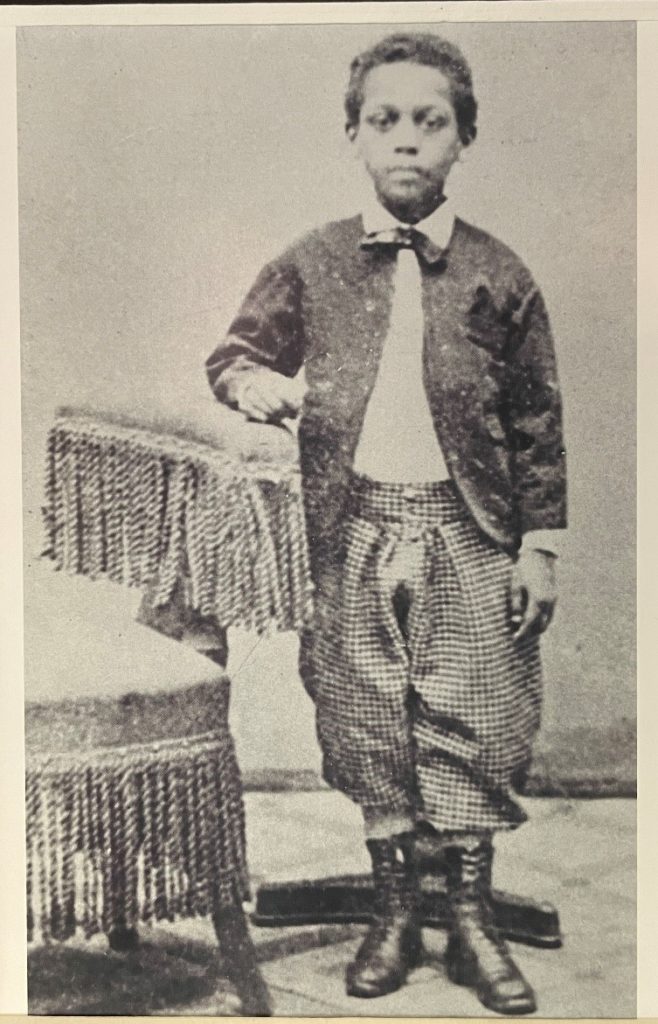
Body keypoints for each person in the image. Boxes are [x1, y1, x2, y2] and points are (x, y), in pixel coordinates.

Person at [206, 32, 566, 1016]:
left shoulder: (498, 274)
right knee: (365, 713)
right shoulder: (314, 260)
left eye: (429, 122)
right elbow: (233, 355)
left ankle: (474, 921)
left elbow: (535, 417)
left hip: (468, 529)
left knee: (476, 716)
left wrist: (536, 544)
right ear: (355, 136)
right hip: (349, 527)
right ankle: (396, 913)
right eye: (384, 121)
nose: (406, 141)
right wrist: (257, 386)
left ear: (462, 140)